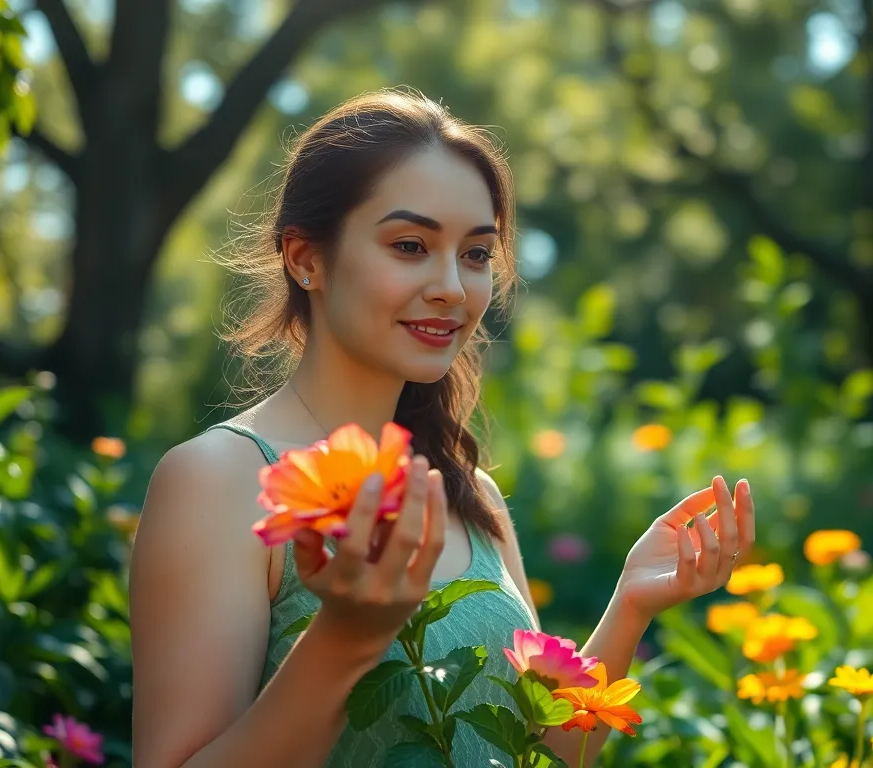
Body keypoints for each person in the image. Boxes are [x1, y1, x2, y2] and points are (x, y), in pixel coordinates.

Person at [128, 87, 756, 768]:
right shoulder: (219, 479)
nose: (453, 287)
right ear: (305, 258)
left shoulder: (469, 493)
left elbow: (539, 753)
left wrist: (629, 606)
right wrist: (343, 640)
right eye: (409, 245)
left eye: (477, 254)